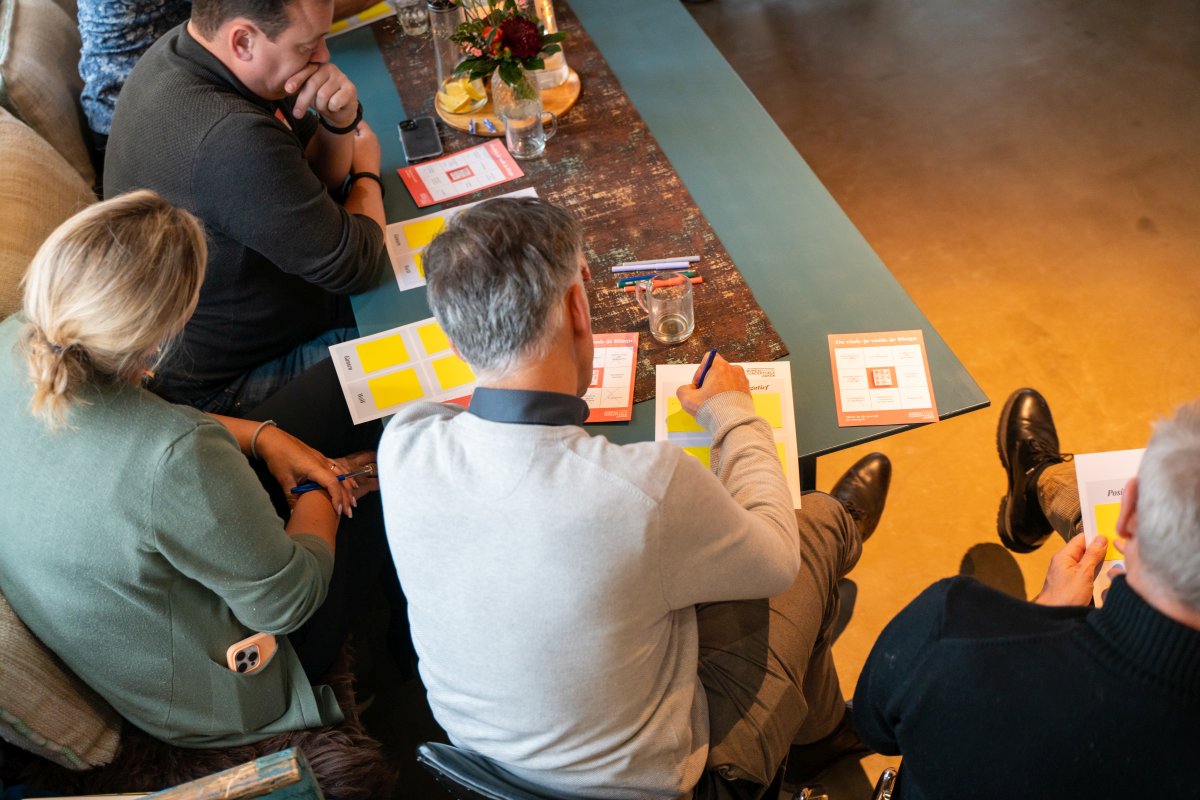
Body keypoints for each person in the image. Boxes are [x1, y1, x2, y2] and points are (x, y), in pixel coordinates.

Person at [378, 197, 893, 799]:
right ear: (578, 307)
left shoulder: (403, 444)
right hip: (667, 784)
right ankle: (819, 729)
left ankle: (814, 711)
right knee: (816, 524)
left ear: (453, 335)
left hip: (488, 773)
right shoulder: (642, 487)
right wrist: (732, 410)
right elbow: (777, 562)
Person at [0, 191, 382, 748]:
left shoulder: (19, 337)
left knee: (349, 382)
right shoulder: (177, 457)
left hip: (145, 619)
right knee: (386, 487)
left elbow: (139, 428)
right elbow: (290, 601)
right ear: (164, 331)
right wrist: (322, 486)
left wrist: (266, 437)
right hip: (221, 687)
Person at [853, 388, 1200, 798]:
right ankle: (1036, 485)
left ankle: (1038, 480)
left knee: (1086, 521)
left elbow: (873, 728)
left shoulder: (954, 629)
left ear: (1127, 515)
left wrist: (1043, 613)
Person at [103, 0, 386, 423]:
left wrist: (338, 122)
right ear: (243, 41)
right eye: (307, 45)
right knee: (445, 336)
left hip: (239, 325)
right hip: (223, 386)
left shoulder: (182, 50)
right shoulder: (231, 138)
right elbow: (359, 265)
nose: (323, 56)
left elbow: (313, 176)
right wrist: (367, 174)